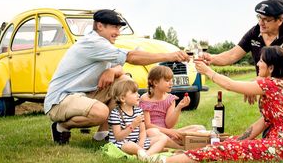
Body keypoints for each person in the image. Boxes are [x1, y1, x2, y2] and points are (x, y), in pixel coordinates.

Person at [139, 46, 283, 163]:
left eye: (261, 60)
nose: (258, 63)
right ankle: (183, 157)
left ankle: (162, 162)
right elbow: (261, 123)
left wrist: (207, 71)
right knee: (228, 143)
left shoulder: (273, 84)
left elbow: (229, 85)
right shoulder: (281, 86)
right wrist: (238, 140)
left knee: (223, 149)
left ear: (271, 68)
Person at [44, 9, 190, 145]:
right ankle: (61, 126)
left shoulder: (105, 44)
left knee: (125, 83)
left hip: (85, 94)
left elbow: (121, 66)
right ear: (100, 26)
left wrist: (113, 71)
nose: (118, 32)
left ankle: (103, 133)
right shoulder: (93, 43)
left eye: (119, 28)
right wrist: (170, 55)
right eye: (114, 27)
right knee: (101, 112)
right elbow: (131, 57)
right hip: (61, 99)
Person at [200, 0, 283, 142]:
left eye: (266, 19)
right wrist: (211, 58)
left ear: (280, 19)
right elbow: (233, 54)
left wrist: (256, 84)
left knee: (276, 136)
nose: (261, 22)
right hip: (265, 84)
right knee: (272, 135)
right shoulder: (254, 32)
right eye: (259, 17)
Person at [139, 65, 205, 148]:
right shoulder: (145, 99)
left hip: (168, 133)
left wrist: (179, 108)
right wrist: (170, 132)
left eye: (171, 80)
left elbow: (169, 124)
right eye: (167, 80)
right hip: (152, 134)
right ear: (155, 83)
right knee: (153, 131)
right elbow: (147, 125)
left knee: (199, 128)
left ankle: (173, 142)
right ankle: (179, 145)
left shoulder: (170, 99)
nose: (171, 83)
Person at [107, 79, 168, 159]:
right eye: (134, 93)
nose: (138, 95)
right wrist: (132, 125)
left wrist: (141, 142)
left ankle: (146, 155)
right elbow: (118, 137)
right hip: (122, 143)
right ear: (122, 98)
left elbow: (142, 131)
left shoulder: (138, 111)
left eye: (137, 92)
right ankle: (148, 153)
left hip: (137, 142)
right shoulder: (116, 114)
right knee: (129, 145)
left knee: (163, 138)